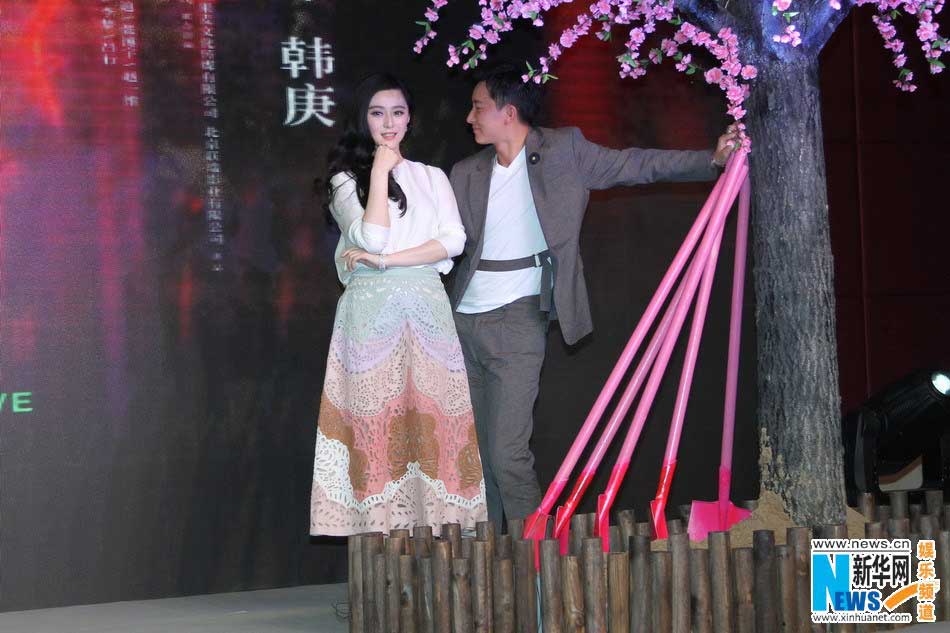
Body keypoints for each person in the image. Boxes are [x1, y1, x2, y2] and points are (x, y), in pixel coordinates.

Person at [449, 62, 739, 526]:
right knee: (478, 459)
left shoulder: (564, 150)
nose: (469, 118)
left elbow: (637, 165)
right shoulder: (466, 172)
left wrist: (711, 159)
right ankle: (491, 557)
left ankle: (534, 559)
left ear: (508, 112)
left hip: (518, 320)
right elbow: (439, 237)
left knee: (507, 454)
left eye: (478, 107)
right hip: (461, 323)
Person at [310, 73, 487, 536]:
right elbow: (372, 236)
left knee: (434, 424)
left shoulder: (432, 176)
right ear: (362, 119)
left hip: (427, 309)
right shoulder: (345, 180)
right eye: (377, 113)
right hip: (371, 316)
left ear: (409, 119)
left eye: (397, 112)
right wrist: (380, 171)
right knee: (378, 425)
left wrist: (386, 261)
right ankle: (381, 541)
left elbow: (453, 241)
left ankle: (442, 539)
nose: (389, 123)